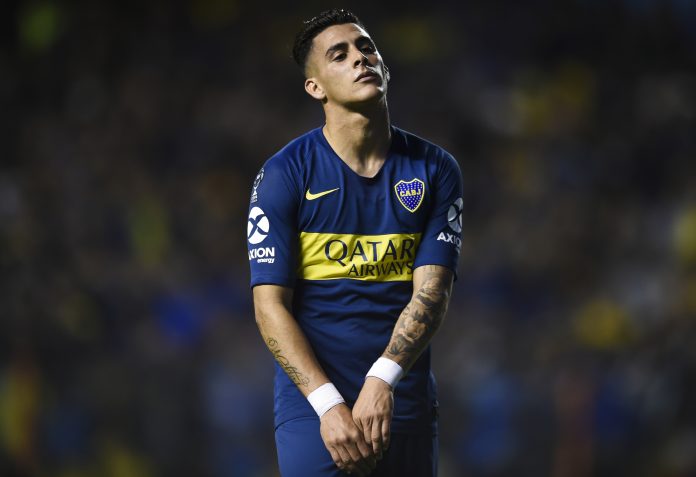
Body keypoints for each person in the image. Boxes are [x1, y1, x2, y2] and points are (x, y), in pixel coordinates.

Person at [247, 9, 463, 477]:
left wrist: (383, 379)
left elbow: (432, 292)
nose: (360, 58)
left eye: (367, 48)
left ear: (386, 66)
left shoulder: (435, 169)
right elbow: (269, 307)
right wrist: (328, 405)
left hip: (400, 396)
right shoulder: (285, 175)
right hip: (314, 407)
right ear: (315, 87)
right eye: (339, 55)